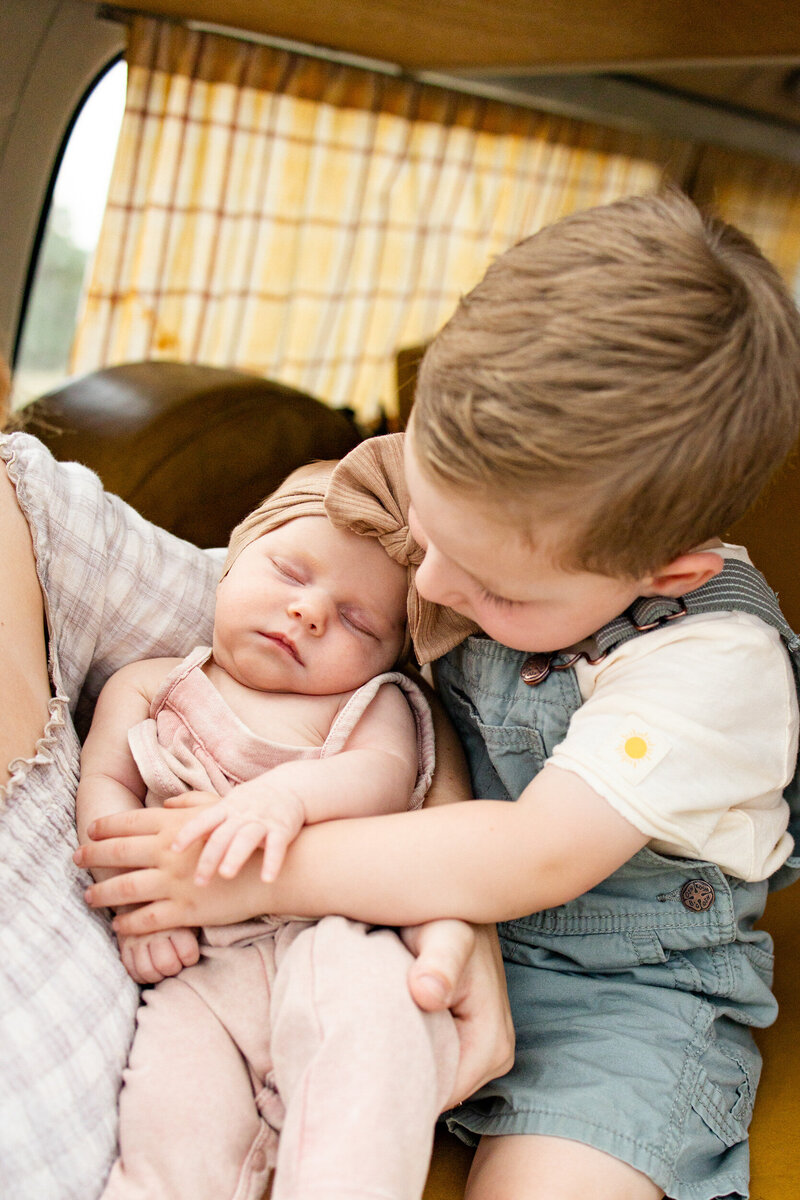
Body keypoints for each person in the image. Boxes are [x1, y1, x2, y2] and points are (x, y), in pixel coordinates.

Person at [79, 188, 800, 1200]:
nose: (427, 587)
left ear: (663, 573)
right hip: (397, 918)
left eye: (496, 591)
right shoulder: (465, 491)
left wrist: (244, 880)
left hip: (620, 1005)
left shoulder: (712, 665)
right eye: (428, 524)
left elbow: (531, 851)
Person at [0, 423, 513, 1200]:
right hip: (201, 972)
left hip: (334, 934)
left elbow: (382, 778)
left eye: (357, 621)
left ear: (390, 659)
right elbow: (101, 793)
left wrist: (288, 797)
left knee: (370, 1054)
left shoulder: (370, 701)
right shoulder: (153, 680)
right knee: (171, 1112)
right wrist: (138, 903)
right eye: (288, 572)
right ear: (231, 559)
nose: (308, 611)